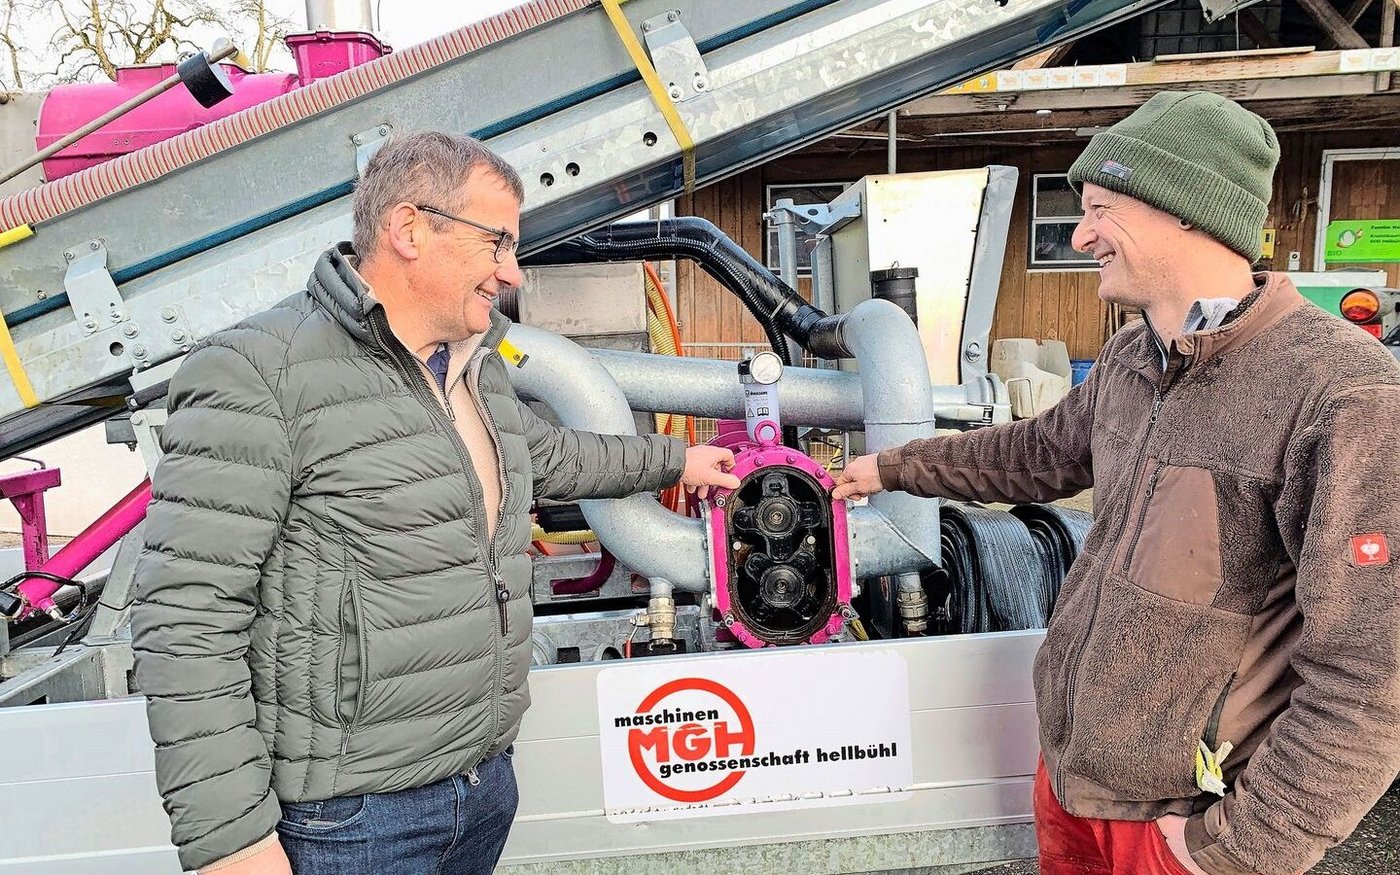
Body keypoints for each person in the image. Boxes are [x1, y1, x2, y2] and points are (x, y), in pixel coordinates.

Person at [130, 131, 739, 875]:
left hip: (481, 786)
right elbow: (187, 619)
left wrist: (678, 457)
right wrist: (231, 842)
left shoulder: (475, 366)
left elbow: (543, 456)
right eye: (497, 243)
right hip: (349, 820)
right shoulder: (259, 371)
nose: (511, 272)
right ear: (410, 229)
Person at [834, 91, 1400, 875]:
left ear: (1188, 210)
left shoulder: (1338, 390)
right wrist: (890, 467)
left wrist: (1244, 846)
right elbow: (1033, 454)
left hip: (1183, 827)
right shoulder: (1137, 357)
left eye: (1101, 207)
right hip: (1073, 786)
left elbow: (1373, 672)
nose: (1080, 232)